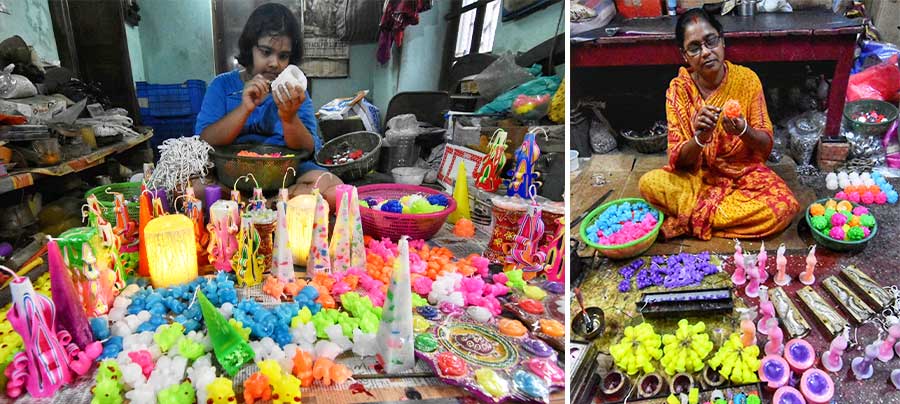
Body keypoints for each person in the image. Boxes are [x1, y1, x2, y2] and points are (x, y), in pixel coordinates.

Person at [638, 9, 799, 240]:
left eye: (710, 41)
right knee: (649, 183)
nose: (705, 52)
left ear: (722, 40)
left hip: (743, 175)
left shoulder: (747, 80)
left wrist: (744, 130)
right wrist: (700, 138)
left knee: (785, 206)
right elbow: (678, 160)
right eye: (694, 47)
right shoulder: (679, 90)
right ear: (685, 56)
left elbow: (765, 147)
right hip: (696, 179)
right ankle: (708, 218)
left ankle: (688, 220)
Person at [195, 3, 342, 206]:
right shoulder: (222, 85)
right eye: (266, 52)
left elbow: (308, 149)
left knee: (336, 190)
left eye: (283, 56)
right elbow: (204, 140)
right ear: (250, 48)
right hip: (230, 176)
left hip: (286, 177)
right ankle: (273, 205)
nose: (275, 63)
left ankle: (263, 203)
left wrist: (289, 118)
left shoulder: (295, 92)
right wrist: (244, 109)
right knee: (189, 187)